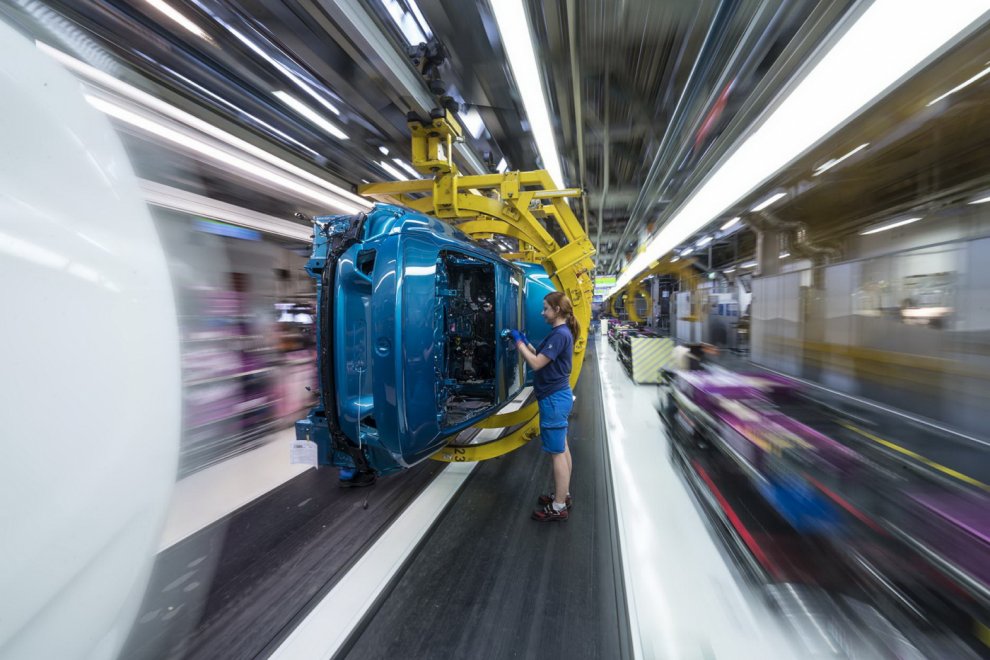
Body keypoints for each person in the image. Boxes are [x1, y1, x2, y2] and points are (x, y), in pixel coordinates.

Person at [507, 291, 579, 522]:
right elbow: (541, 354)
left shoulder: (560, 334)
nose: (542, 312)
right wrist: (526, 342)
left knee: (557, 454)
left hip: (554, 399)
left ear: (557, 310)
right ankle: (564, 495)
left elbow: (537, 363)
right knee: (562, 448)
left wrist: (518, 343)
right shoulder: (560, 332)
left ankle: (559, 507)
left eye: (546, 308)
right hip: (558, 397)